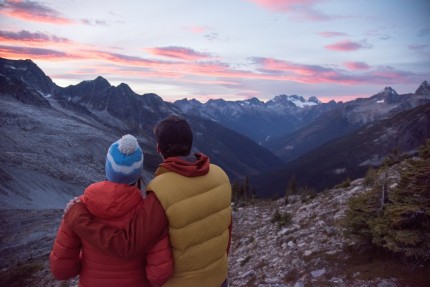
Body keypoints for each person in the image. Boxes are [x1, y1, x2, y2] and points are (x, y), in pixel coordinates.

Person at [64, 115, 232, 287]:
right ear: (190, 143)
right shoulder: (220, 175)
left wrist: (78, 217)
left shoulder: (161, 190)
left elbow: (127, 246)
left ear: (159, 148)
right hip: (219, 279)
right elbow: (225, 231)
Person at [50, 134, 173, 287]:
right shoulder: (148, 213)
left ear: (108, 169)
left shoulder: (77, 209)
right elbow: (159, 275)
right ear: (138, 174)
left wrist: (90, 264)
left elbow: (61, 271)